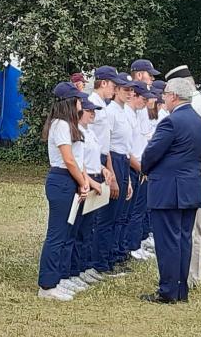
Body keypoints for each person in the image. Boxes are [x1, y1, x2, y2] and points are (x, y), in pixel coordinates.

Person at [140, 77, 201, 303]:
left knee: (168, 242)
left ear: (174, 97)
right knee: (183, 240)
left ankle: (168, 290)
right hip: (189, 188)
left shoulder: (171, 122)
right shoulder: (199, 120)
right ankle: (180, 288)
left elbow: (151, 153)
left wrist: (145, 168)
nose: (163, 98)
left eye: (166, 94)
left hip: (169, 189)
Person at [164, 65, 201, 288]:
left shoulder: (191, 106)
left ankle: (189, 275)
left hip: (191, 169)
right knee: (194, 224)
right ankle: (191, 274)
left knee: (189, 226)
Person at [37, 82, 90, 302]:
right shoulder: (60, 125)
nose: (81, 103)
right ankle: (47, 285)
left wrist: (82, 181)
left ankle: (58, 278)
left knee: (67, 232)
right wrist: (82, 181)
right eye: (78, 99)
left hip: (70, 180)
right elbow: (68, 159)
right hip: (61, 180)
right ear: (70, 102)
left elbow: (78, 159)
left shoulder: (69, 124)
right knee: (57, 234)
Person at [87, 66, 126, 276]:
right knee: (98, 217)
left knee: (103, 215)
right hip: (93, 160)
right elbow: (91, 141)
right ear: (103, 83)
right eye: (113, 85)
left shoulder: (103, 104)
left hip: (102, 159)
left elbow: (105, 143)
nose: (115, 89)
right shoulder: (92, 104)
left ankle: (98, 261)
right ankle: (96, 263)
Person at [76, 97, 112, 284]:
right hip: (85, 179)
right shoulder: (78, 132)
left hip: (94, 177)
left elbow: (92, 159)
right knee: (80, 229)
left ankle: (85, 266)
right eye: (89, 111)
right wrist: (90, 181)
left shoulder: (89, 132)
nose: (93, 114)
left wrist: (103, 169)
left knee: (89, 227)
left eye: (94, 111)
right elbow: (78, 162)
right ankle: (75, 270)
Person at [124, 81, 156, 262]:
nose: (146, 103)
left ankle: (134, 244)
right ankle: (131, 245)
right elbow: (126, 150)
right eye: (143, 99)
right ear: (134, 96)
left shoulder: (136, 114)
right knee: (134, 212)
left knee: (138, 210)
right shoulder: (127, 115)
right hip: (134, 166)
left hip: (140, 165)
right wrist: (142, 169)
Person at [106, 72, 134, 270]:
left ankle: (115, 253)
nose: (130, 93)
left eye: (132, 90)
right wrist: (113, 174)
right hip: (114, 159)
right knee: (110, 214)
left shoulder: (124, 111)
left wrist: (128, 180)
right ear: (116, 91)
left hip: (123, 160)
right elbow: (106, 145)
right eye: (126, 90)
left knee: (120, 213)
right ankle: (106, 258)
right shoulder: (111, 112)